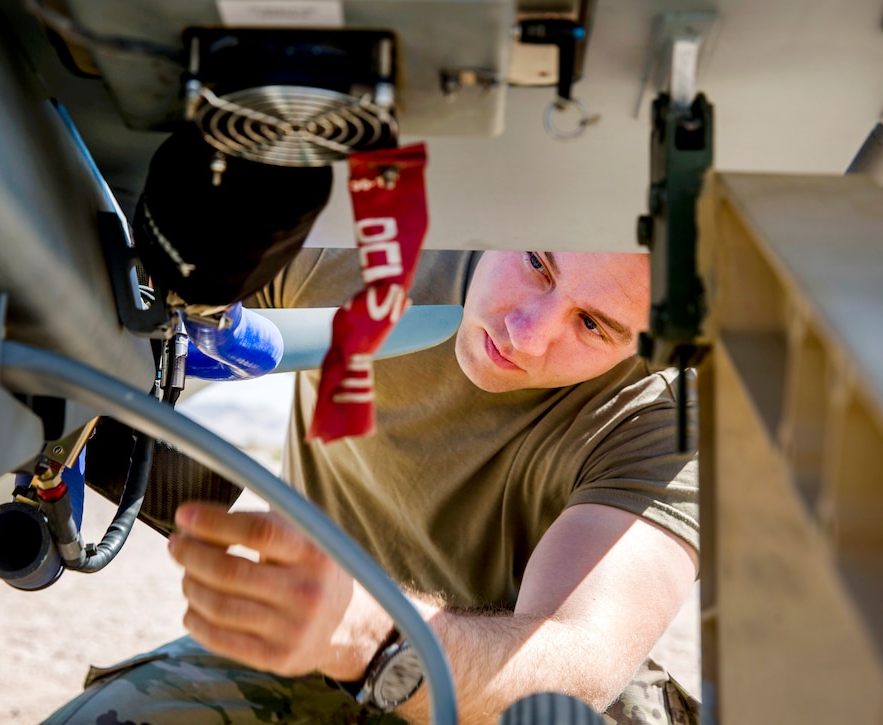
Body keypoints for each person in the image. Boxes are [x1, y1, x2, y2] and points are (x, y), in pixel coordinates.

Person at [42, 247, 699, 725]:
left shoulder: (667, 420)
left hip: (499, 693)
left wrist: (377, 636)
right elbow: (147, 299)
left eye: (592, 324)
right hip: (310, 647)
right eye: (536, 262)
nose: (526, 334)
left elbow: (576, 662)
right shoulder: (374, 253)